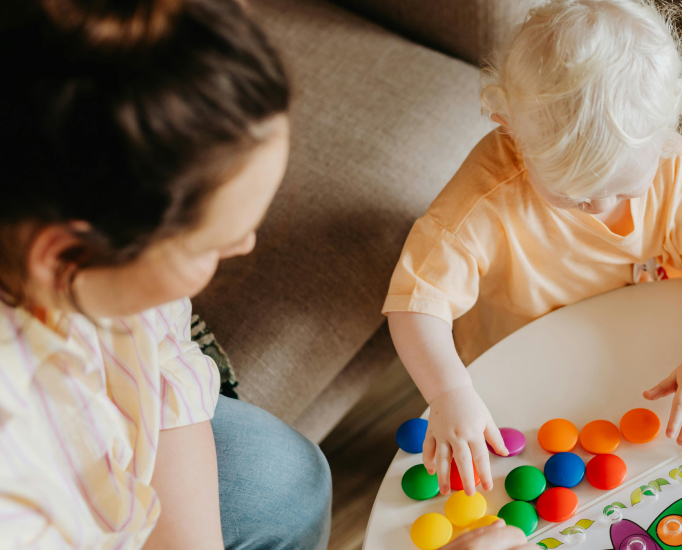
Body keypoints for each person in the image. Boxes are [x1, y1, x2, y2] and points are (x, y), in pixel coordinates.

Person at [0, 0, 532, 548]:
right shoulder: (18, 477)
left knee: (285, 480)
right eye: (210, 242)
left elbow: (158, 359)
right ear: (64, 255)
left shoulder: (75, 224)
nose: (245, 244)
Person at [384, 0, 682, 498]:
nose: (599, 207)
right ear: (510, 128)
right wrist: (450, 394)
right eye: (574, 196)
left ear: (670, 128)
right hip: (521, 353)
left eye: (625, 191)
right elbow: (416, 304)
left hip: (642, 348)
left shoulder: (679, 172)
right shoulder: (484, 199)